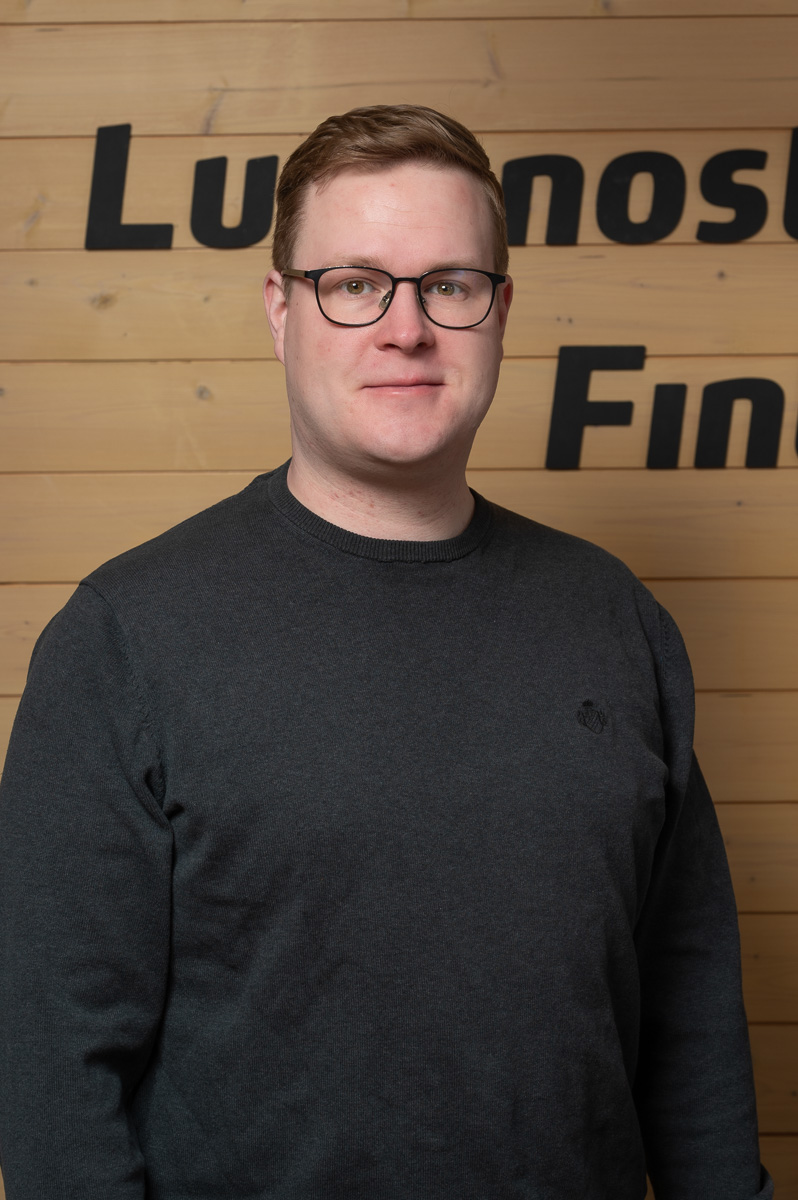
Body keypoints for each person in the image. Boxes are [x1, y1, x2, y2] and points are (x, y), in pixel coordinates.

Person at [0, 105, 772, 1200]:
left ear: (500, 312)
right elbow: (52, 1088)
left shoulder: (615, 618)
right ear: (281, 310)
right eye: (354, 284)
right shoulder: (125, 640)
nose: (405, 329)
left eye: (448, 285)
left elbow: (692, 1027)